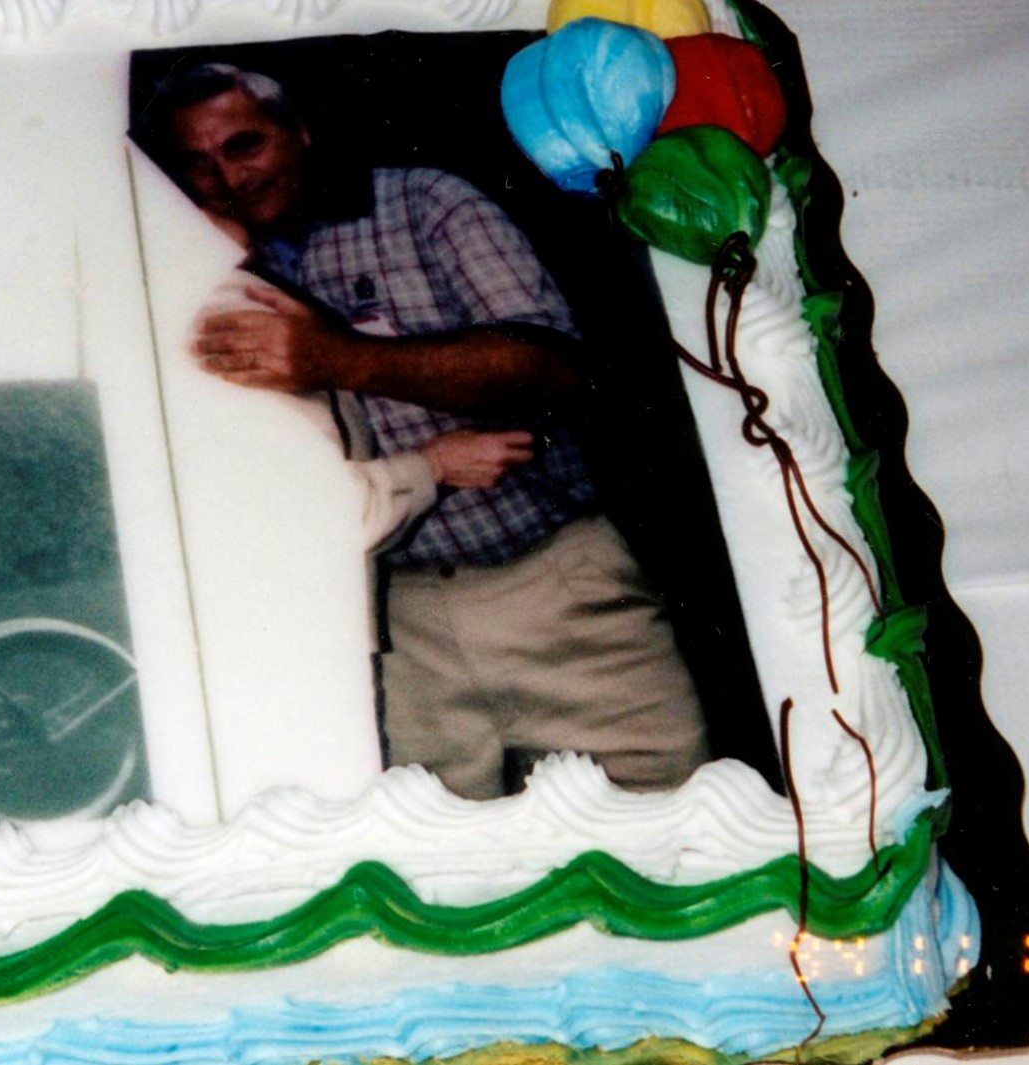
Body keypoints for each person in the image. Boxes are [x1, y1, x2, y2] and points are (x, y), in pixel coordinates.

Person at [140, 62, 709, 799]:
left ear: (299, 131)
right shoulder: (201, 275)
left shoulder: (423, 204)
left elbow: (555, 371)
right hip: (389, 630)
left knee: (666, 820)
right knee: (441, 858)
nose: (227, 178)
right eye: (198, 164)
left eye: (245, 145)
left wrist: (340, 358)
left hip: (553, 591)